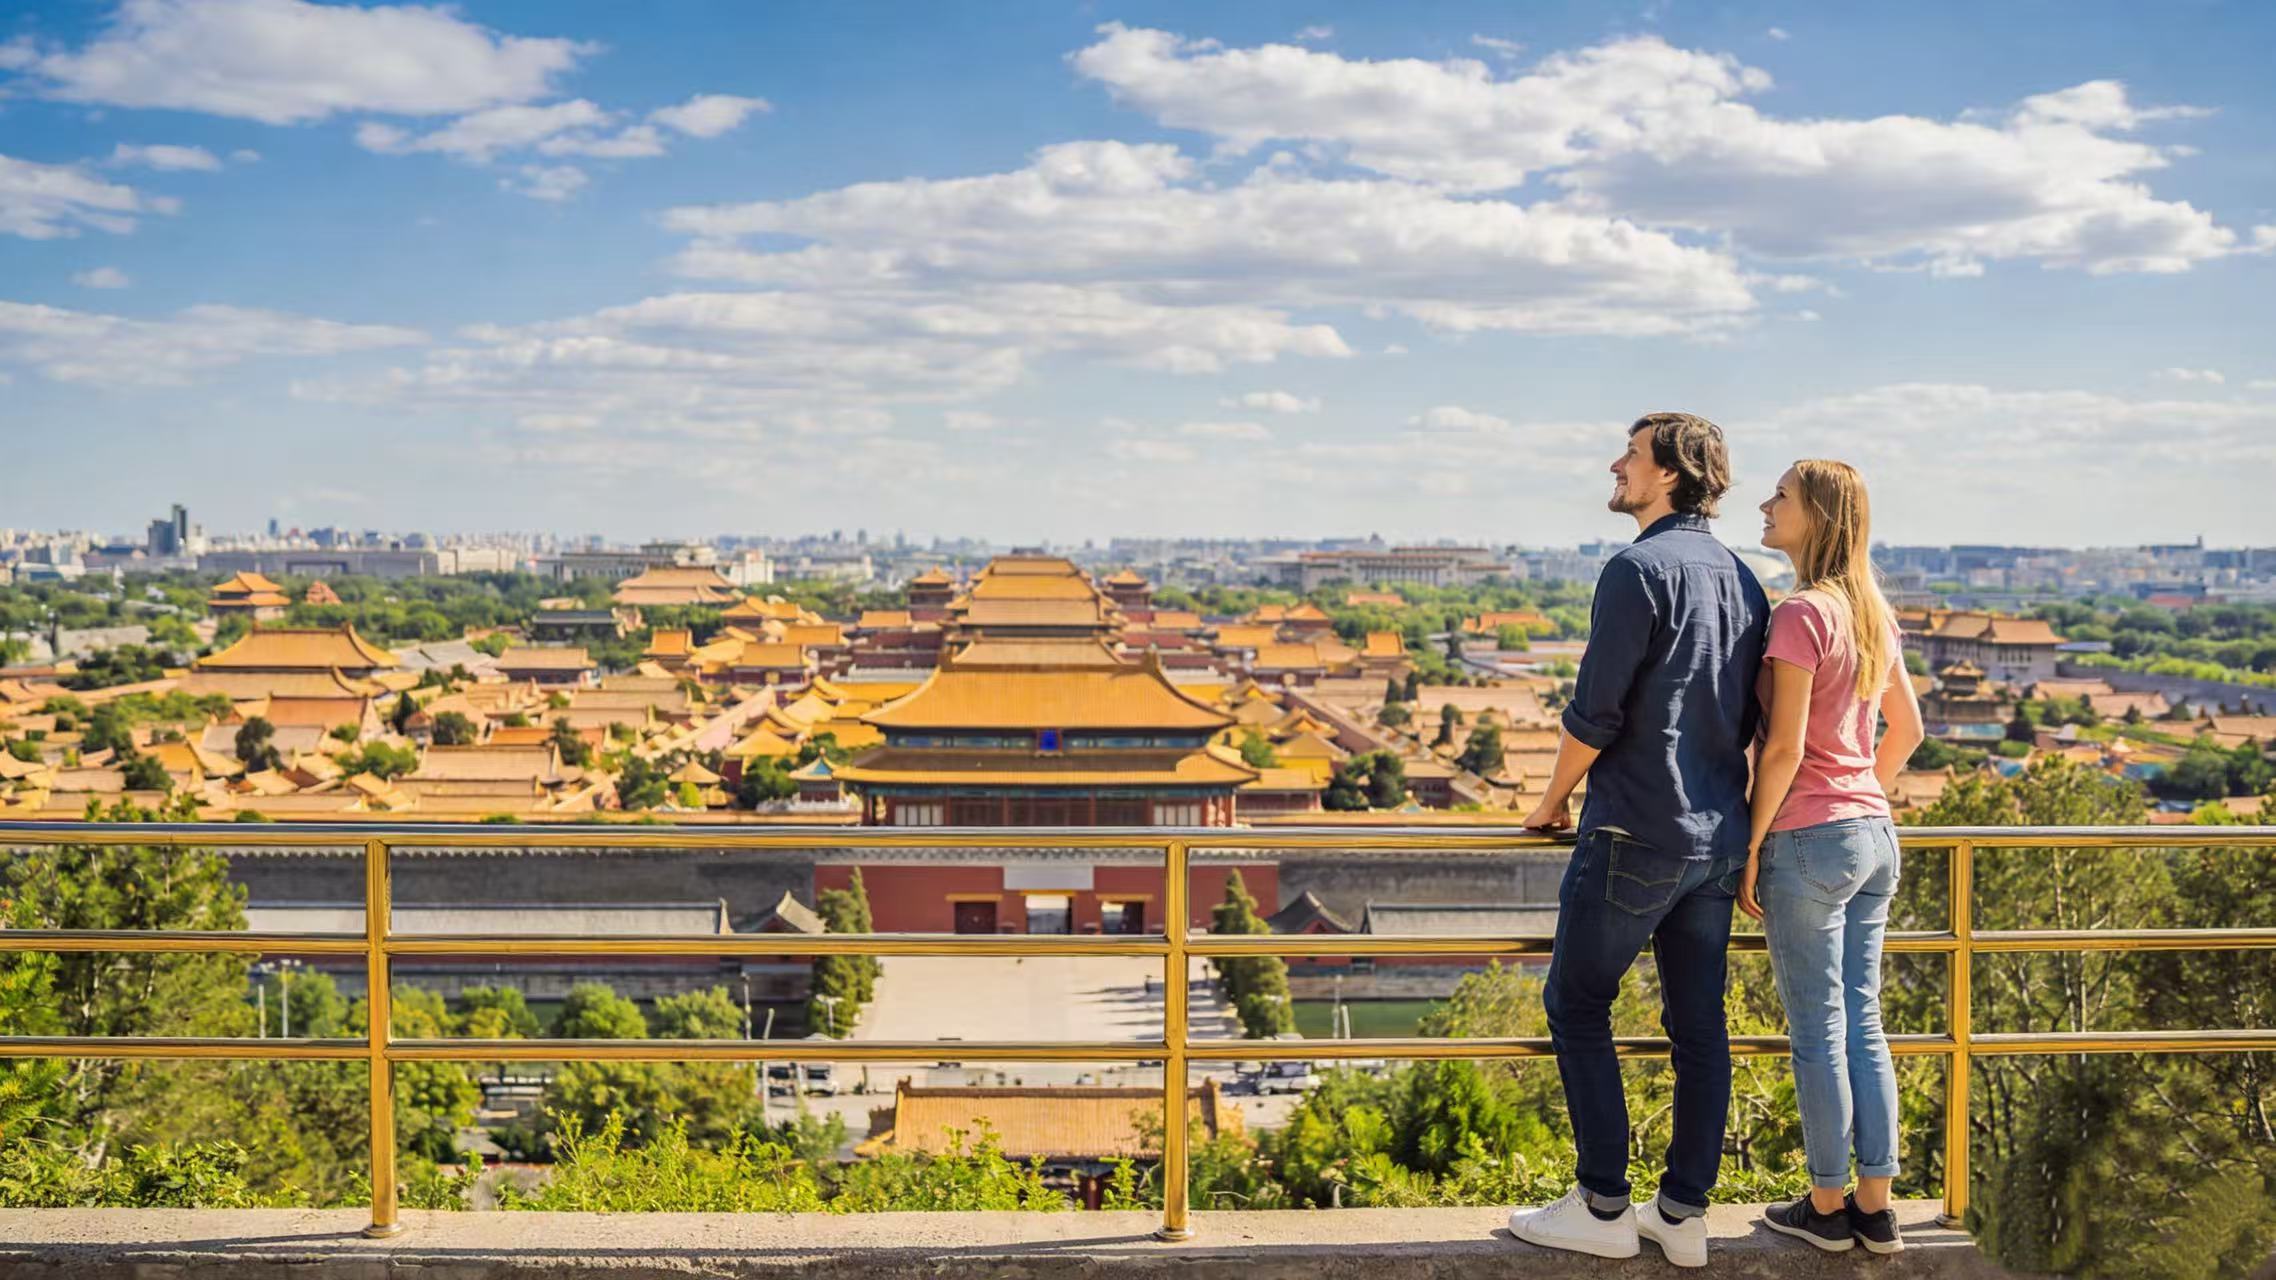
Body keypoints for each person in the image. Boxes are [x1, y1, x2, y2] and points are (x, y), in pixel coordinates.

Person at [1511, 413, 1769, 1268]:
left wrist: (1550, 801)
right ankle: (1684, 1212)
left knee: (1578, 1004)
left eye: (1631, 454)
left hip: (1635, 827)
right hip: (1717, 837)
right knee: (1700, 1024)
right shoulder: (1744, 577)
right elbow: (1752, 722)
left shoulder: (1634, 571)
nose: (1615, 465)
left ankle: (1602, 1204)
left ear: (1669, 475)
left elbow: (1597, 711)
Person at [1740, 459, 1924, 1256]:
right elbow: (1907, 733)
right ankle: (1877, 1208)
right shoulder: (1871, 611)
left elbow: (1780, 749)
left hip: (1808, 840)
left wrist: (1752, 845)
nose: (1765, 504)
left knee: (1817, 1030)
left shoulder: (1800, 615)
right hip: (1873, 836)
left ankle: (1823, 1208)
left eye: (1780, 496)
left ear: (1814, 515)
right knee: (1866, 1022)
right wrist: (1858, 799)